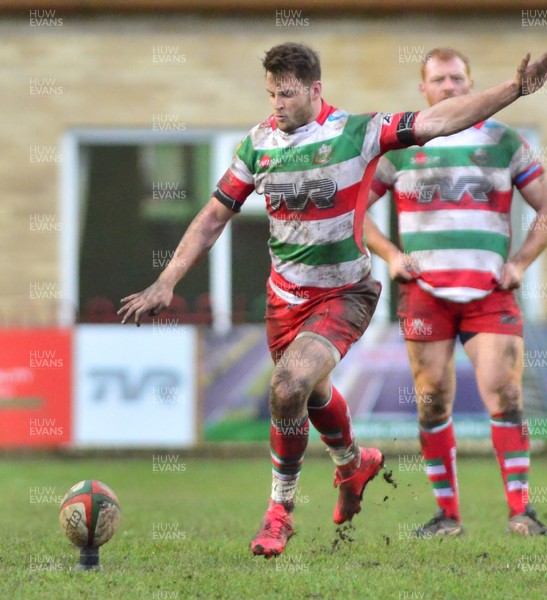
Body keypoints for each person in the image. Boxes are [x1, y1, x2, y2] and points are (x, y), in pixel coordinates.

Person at [119, 42, 547, 556]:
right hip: (285, 299)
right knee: (309, 393)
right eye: (272, 93)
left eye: (288, 93)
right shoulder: (257, 144)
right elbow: (213, 217)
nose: (277, 103)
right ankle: (352, 463)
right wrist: (167, 280)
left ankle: (280, 513)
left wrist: (515, 89)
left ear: (315, 89)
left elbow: (439, 121)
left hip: (345, 293)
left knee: (288, 384)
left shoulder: (357, 132)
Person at [363, 47, 547, 537]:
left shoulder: (507, 141)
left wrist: (521, 263)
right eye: (439, 80)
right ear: (423, 89)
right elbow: (353, 210)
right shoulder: (399, 148)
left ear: (471, 84)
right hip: (425, 292)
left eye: (457, 79)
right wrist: (390, 256)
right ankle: (448, 516)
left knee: (506, 394)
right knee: (432, 400)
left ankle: (522, 512)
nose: (449, 87)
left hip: (490, 290)